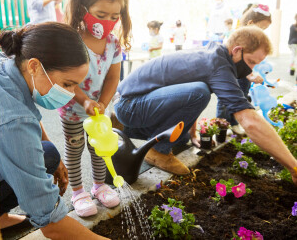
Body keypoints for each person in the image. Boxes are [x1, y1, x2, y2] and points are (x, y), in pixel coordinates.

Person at [113, 26, 297, 184]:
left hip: (134, 98)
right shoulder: (219, 66)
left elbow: (182, 94)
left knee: (182, 136)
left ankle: (126, 127)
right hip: (130, 103)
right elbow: (249, 121)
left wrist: (192, 133)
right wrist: (293, 166)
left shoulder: (214, 52)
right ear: (236, 50)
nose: (250, 70)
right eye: (250, 62)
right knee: (199, 92)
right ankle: (156, 151)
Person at [0, 23, 108, 239]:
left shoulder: (8, 65)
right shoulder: (14, 121)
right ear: (35, 66)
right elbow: (52, 225)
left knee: (47, 153)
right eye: (67, 84)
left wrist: (54, 157)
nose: (71, 93)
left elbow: (27, 117)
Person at [59, 0, 132, 217]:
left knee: (102, 148)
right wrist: (84, 101)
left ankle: (99, 186)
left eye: (114, 17)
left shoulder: (113, 43)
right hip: (72, 109)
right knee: (75, 149)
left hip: (98, 112)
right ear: (83, 10)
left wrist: (101, 102)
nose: (108, 22)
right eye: (101, 15)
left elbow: (113, 78)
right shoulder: (72, 40)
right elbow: (67, 79)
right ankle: (79, 192)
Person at [216, 4, 272, 135]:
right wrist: (250, 74)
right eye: (262, 28)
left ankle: (234, 123)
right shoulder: (237, 36)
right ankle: (221, 125)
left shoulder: (254, 40)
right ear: (251, 23)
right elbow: (234, 60)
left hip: (245, 76)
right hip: (232, 75)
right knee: (225, 99)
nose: (262, 32)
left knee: (241, 97)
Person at [288, 14, 297, 78]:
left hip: (291, 44)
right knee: (293, 57)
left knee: (293, 57)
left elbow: (290, 36)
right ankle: (292, 70)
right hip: (294, 44)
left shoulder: (292, 26)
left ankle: (291, 70)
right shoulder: (294, 27)